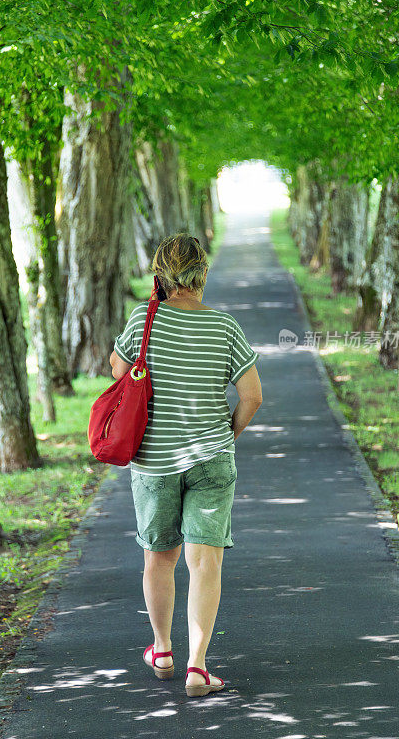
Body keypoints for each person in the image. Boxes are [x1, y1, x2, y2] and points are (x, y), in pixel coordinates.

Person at [109, 233, 262, 697]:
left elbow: (119, 372)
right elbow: (252, 396)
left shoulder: (142, 320)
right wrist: (225, 436)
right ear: (203, 275)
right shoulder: (225, 327)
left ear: (159, 276)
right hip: (211, 457)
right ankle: (198, 666)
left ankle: (162, 649)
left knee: (160, 557)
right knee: (204, 561)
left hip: (154, 460)